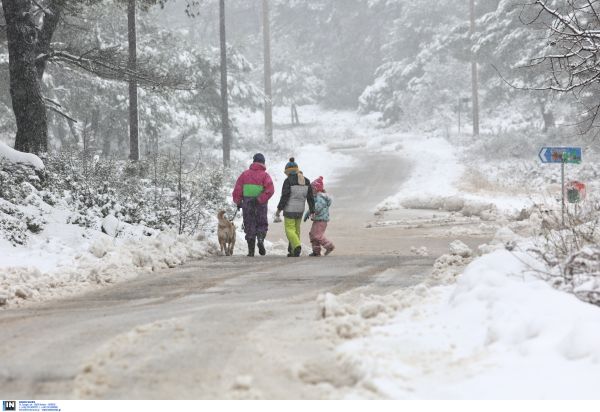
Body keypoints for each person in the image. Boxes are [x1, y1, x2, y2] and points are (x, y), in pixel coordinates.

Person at [232, 153, 275, 257]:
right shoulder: (265, 175)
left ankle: (251, 251)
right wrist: (259, 200)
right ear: (263, 163)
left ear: (253, 161)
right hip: (261, 204)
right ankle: (260, 239)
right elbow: (270, 190)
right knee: (261, 224)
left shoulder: (244, 174)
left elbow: (237, 190)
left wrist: (238, 202)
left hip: (248, 204)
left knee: (250, 225)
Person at [275, 157, 315, 257]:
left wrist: (279, 209)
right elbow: (310, 197)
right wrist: (312, 210)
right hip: (300, 210)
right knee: (296, 230)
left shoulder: (288, 181)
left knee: (289, 229)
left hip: (289, 209)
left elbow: (285, 196)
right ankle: (293, 251)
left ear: (289, 171)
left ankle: (297, 246)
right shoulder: (306, 181)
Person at [304, 176, 335, 256]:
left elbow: (317, 207)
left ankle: (329, 246)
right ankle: (316, 251)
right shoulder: (317, 197)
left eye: (313, 189)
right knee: (312, 234)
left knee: (316, 235)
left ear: (318, 189)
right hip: (318, 219)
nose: (312, 191)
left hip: (321, 220)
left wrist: (309, 212)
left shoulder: (320, 197)